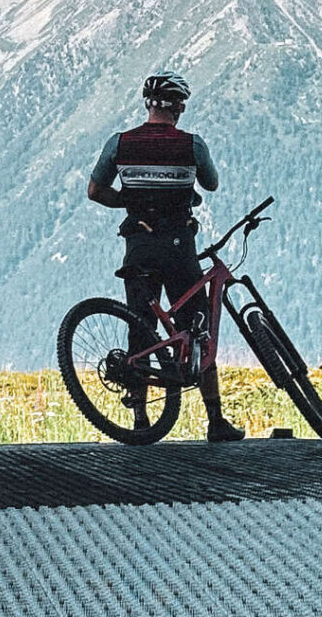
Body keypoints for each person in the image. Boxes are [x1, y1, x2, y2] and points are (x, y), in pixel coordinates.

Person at [87, 70, 244, 441]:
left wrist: (129, 199)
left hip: (138, 244)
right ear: (179, 107)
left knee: (140, 326)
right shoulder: (192, 144)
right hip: (178, 245)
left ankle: (140, 419)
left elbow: (95, 191)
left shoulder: (119, 143)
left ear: (147, 104)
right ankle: (215, 420)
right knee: (198, 324)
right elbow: (211, 184)